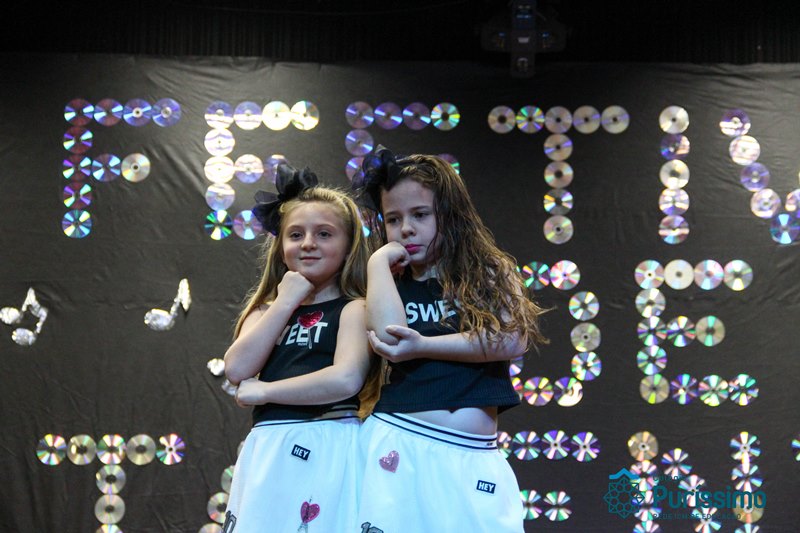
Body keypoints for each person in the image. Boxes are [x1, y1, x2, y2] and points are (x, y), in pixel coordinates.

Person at [353, 147, 547, 532]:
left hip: (472, 455)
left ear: (450, 213)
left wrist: (424, 345)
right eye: (393, 219)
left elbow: (512, 339)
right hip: (399, 442)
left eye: (420, 214)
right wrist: (377, 264)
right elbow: (388, 338)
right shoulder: (389, 279)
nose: (406, 229)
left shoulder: (488, 269)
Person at [222, 163, 373, 533]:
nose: (308, 243)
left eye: (324, 234)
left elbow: (345, 379)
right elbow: (237, 368)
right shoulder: (265, 311)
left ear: (348, 246)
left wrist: (266, 391)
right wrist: (286, 301)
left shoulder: (354, 309)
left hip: (329, 440)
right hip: (269, 446)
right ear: (280, 246)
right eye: (295, 234)